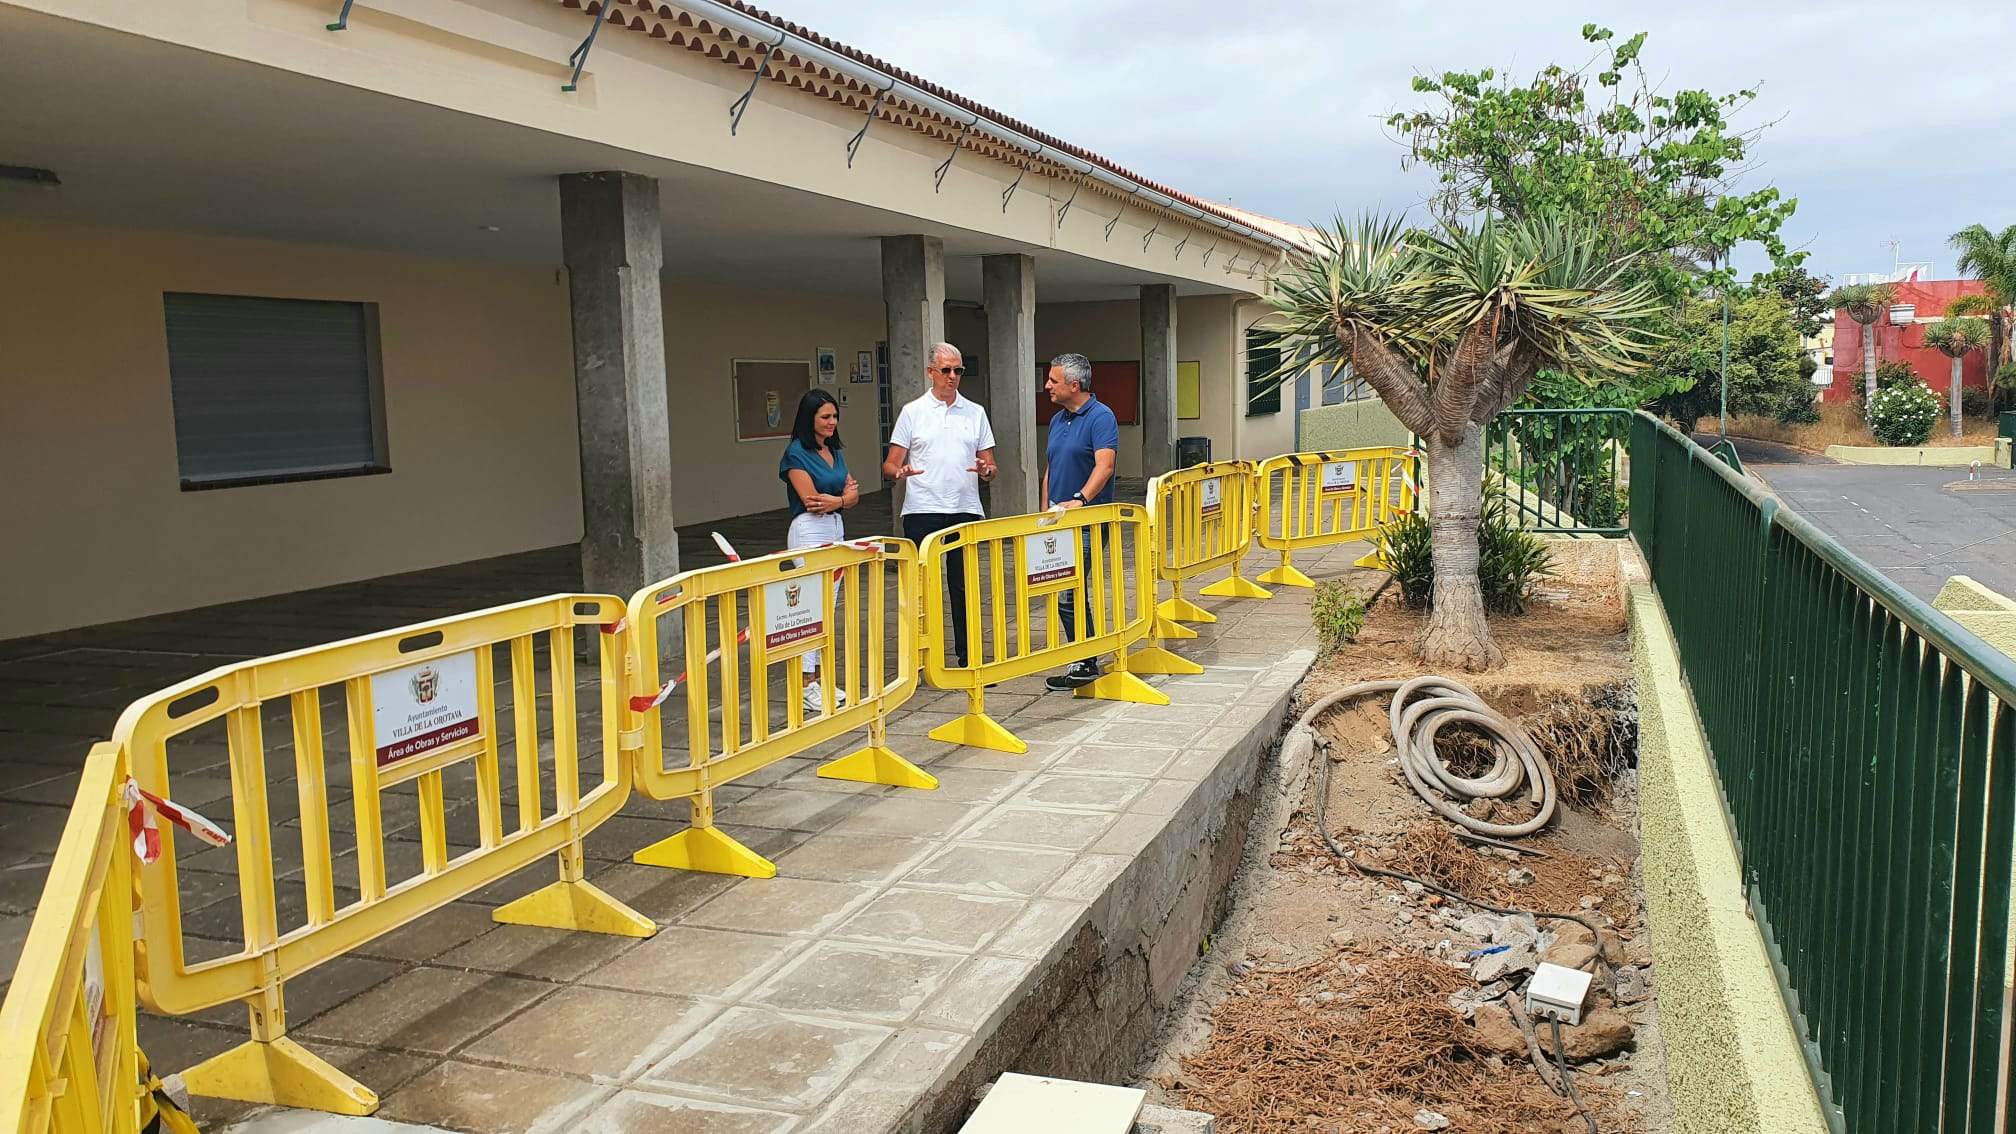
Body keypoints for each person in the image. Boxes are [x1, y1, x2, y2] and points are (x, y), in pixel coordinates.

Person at [884, 342, 998, 668]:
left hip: (965, 508)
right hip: (922, 509)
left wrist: (987, 470)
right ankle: (925, 659)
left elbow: (990, 465)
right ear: (930, 372)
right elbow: (890, 465)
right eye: (945, 370)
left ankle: (969, 656)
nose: (952, 377)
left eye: (958, 370)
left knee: (964, 588)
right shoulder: (913, 412)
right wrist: (900, 471)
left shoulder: (975, 412)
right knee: (924, 590)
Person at [1039, 352, 1120, 692]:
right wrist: (1044, 511)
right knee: (1062, 588)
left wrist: (1081, 499)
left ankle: (1085, 660)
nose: (1047, 386)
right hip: (1057, 522)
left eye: (1053, 381)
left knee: (1067, 589)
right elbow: (1051, 468)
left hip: (1087, 520)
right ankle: (1084, 656)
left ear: (1075, 385)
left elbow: (1105, 465)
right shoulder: (1059, 420)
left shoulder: (1101, 417)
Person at [779, 389, 858, 713]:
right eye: (825, 417)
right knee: (809, 607)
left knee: (827, 607)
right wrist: (842, 498)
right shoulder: (796, 453)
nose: (831, 422)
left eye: (834, 416)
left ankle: (817, 678)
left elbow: (853, 492)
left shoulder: (833, 450)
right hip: (809, 530)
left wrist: (838, 501)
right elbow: (812, 501)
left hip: (834, 527)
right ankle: (805, 681)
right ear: (809, 418)